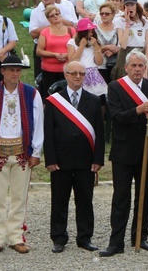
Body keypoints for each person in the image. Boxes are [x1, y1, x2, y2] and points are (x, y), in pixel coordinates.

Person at [0, 55, 43, 255]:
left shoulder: (32, 94)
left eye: (18, 70)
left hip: (22, 152)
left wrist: (36, 151)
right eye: (11, 70)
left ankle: (16, 237)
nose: (15, 73)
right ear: (2, 71)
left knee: (19, 197)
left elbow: (38, 123)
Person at [99, 50, 148, 257]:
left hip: (147, 148)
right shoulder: (115, 87)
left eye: (141, 66)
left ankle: (140, 236)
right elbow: (116, 117)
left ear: (145, 68)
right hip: (123, 150)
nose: (137, 69)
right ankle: (116, 241)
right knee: (121, 197)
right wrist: (138, 110)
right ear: (126, 67)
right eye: (134, 66)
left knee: (145, 195)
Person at [44, 61, 105, 254]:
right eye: (73, 73)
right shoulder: (54, 101)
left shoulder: (94, 101)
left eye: (81, 73)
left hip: (85, 160)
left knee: (85, 200)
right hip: (60, 161)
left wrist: (98, 159)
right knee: (59, 200)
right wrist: (50, 159)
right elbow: (48, 132)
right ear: (66, 75)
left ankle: (84, 237)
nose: (77, 76)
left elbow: (100, 133)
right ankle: (59, 238)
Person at [37, 5, 76, 98]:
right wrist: (54, 55)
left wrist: (67, 55)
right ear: (48, 19)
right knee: (50, 97)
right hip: (49, 71)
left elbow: (77, 48)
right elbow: (39, 51)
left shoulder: (71, 30)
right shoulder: (45, 32)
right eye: (51, 15)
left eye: (57, 14)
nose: (55, 16)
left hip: (68, 70)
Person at [112, 0, 148, 80]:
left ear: (136, 5)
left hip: (140, 53)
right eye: (127, 5)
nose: (130, 8)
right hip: (126, 53)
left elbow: (147, 46)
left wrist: (146, 67)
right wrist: (127, 24)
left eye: (132, 5)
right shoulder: (120, 20)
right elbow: (123, 45)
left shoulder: (144, 21)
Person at [67, 18, 108, 96]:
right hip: (79, 73)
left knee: (99, 97)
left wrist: (95, 46)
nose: (91, 34)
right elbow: (72, 61)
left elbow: (99, 62)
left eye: (92, 31)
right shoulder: (72, 42)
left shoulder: (94, 42)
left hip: (93, 74)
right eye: (88, 32)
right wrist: (81, 46)